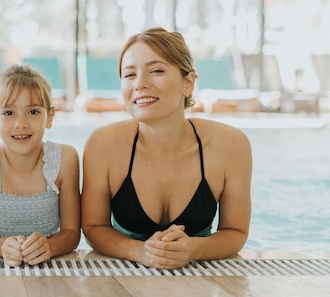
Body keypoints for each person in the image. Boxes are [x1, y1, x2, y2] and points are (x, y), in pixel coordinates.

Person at [81, 27, 252, 270]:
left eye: (156, 71)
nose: (140, 84)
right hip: (124, 278)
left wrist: (192, 249)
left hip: (197, 277)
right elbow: (93, 227)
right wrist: (142, 252)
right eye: (129, 75)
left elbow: (235, 232)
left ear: (188, 83)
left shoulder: (230, 146)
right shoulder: (103, 144)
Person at [0, 64, 81, 267]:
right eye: (9, 113)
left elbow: (72, 233)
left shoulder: (65, 159)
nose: (21, 123)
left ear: (50, 117)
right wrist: (1, 247)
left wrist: (50, 247)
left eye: (33, 111)